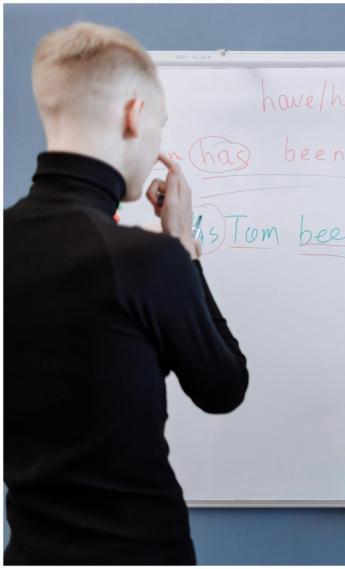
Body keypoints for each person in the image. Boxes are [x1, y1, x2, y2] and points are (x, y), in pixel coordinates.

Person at [4, 22, 249, 564]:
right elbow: (224, 386)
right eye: (160, 125)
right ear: (134, 114)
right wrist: (183, 249)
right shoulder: (147, 260)